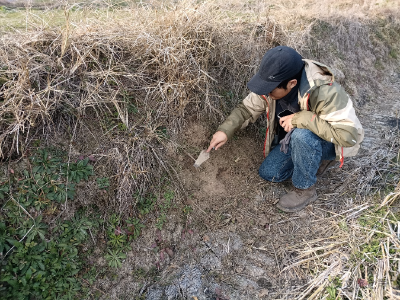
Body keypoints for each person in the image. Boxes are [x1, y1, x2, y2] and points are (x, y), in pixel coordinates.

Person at [207, 46, 364, 212]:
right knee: (270, 173)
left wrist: (302, 119)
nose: (265, 93)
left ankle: (305, 189)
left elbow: (349, 136)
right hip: (296, 139)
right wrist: (225, 130)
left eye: (269, 90)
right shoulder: (273, 84)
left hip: (330, 141)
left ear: (292, 83)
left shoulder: (325, 92)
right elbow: (246, 109)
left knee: (302, 135)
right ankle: (310, 160)